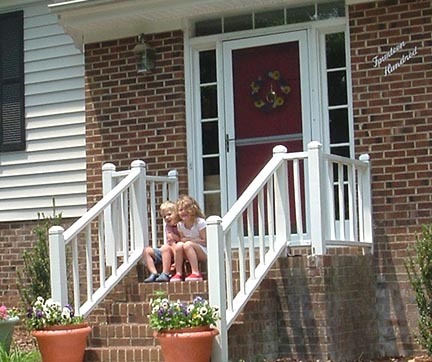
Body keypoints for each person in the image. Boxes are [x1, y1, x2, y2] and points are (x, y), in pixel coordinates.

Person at [170, 195, 207, 282]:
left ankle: (196, 272)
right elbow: (182, 239)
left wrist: (190, 241)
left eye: (187, 209)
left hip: (203, 250)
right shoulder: (180, 225)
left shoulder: (200, 222)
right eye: (181, 210)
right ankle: (178, 273)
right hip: (189, 250)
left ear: (193, 209)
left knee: (187, 245)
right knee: (179, 245)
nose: (183, 212)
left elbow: (205, 241)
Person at [143, 200, 180, 283]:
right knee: (146, 251)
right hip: (167, 252)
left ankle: (165, 273)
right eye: (164, 216)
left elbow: (177, 244)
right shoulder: (168, 227)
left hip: (177, 253)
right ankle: (154, 273)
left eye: (169, 214)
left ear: (176, 214)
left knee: (165, 247)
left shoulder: (181, 225)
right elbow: (170, 242)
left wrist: (177, 262)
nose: (167, 218)